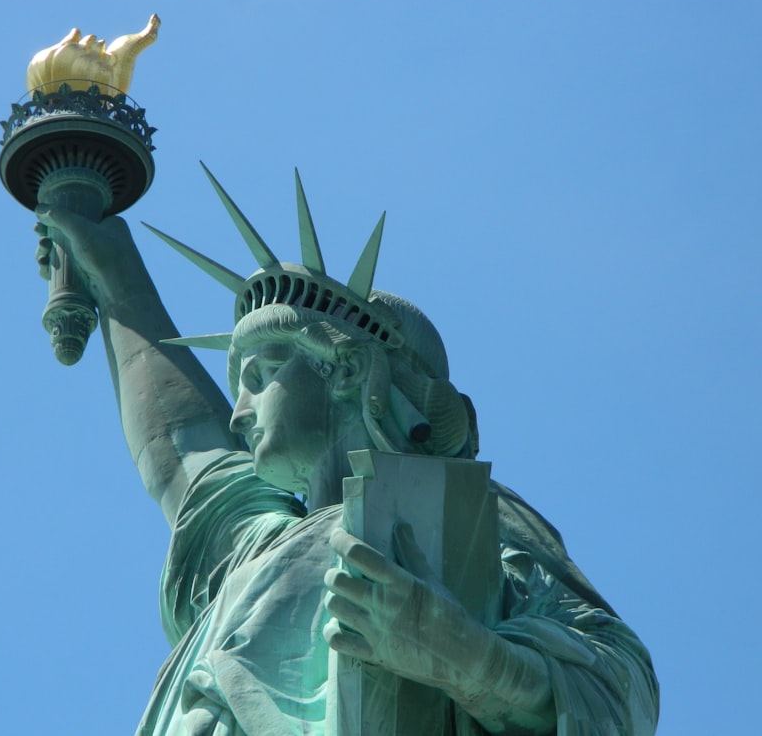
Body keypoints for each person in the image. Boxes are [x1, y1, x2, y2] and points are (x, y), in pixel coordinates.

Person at [32, 172, 659, 735]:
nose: (238, 414)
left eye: (259, 375)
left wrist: (469, 657)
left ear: (347, 370)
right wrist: (110, 273)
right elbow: (182, 451)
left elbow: (622, 689)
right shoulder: (261, 547)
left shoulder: (468, 518)